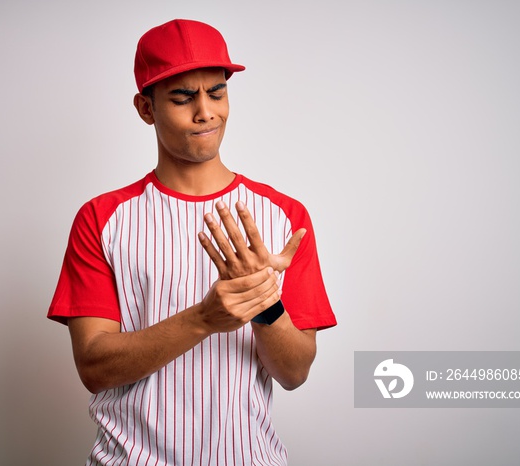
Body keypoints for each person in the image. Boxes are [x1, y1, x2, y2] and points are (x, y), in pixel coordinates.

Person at [48, 18, 337, 466]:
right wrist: (204, 318)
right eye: (183, 97)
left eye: (217, 93)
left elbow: (295, 372)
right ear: (146, 108)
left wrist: (264, 303)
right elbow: (94, 367)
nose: (206, 112)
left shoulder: (284, 217)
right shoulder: (101, 218)